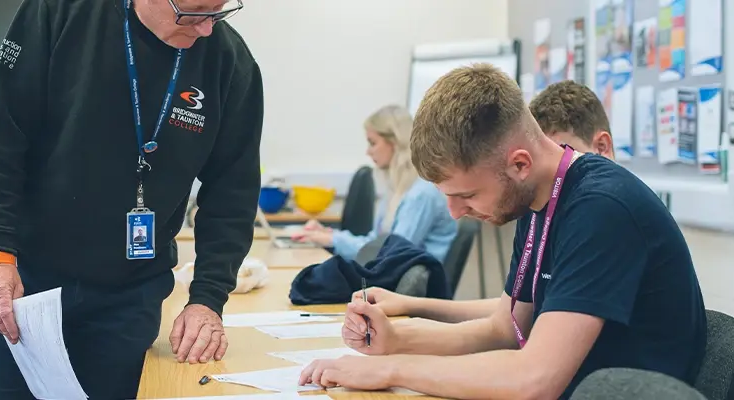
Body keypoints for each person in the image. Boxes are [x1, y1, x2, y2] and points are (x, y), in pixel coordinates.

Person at [298, 64, 706, 399]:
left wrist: (390, 369)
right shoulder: (537, 200)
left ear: (520, 164)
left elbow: (535, 379)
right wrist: (397, 341)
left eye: (468, 194)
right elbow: (504, 328)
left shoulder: (602, 207)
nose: (456, 213)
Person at [0, 0, 264, 398]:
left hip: (130, 293)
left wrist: (207, 299)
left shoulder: (229, 62)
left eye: (219, 11)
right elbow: (3, 138)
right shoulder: (59, 13)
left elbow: (233, 193)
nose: (207, 28)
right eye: (194, 12)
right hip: (28, 286)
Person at [358, 80, 619, 323]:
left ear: (602, 147)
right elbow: (512, 311)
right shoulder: (541, 207)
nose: (552, 166)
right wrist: (409, 305)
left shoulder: (600, 210)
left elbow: (540, 362)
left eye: (562, 152)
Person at [292, 105, 457, 263]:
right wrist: (330, 236)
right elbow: (376, 242)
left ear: (394, 142)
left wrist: (333, 239)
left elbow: (392, 254)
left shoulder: (421, 194)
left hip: (410, 287)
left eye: (372, 143)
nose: (368, 151)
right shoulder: (397, 189)